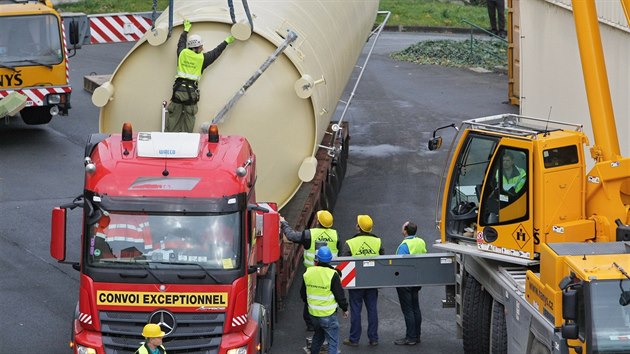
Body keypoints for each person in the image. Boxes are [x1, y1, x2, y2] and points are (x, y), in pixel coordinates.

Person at [166, 19, 236, 133]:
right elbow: (216, 52)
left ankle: (170, 140)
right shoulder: (202, 59)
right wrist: (226, 41)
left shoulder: (182, 53)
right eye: (201, 46)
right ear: (196, 48)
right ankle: (186, 142)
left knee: (173, 118)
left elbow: (181, 42)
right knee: (189, 119)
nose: (202, 48)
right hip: (191, 93)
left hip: (178, 91)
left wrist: (185, 30)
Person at [281, 210, 341, 331]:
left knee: (310, 296)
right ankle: (327, 319)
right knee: (328, 296)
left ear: (318, 221)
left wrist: (283, 223)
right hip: (329, 272)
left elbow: (291, 236)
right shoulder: (335, 235)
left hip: (312, 272)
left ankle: (311, 322)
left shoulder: (310, 234)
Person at [341, 214, 384, 347]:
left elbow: (344, 262)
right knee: (372, 310)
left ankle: (354, 339)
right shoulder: (377, 241)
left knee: (356, 310)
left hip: (356, 281)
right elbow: (382, 259)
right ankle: (374, 338)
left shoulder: (350, 243)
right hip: (372, 282)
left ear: (358, 227)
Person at [301, 246, 349, 354]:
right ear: (330, 259)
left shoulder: (308, 272)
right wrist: (345, 308)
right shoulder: (332, 274)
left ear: (317, 259)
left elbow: (303, 294)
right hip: (328, 315)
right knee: (333, 341)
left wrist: (311, 304)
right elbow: (339, 295)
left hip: (313, 314)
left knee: (318, 336)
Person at [393, 221, 427, 346]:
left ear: (406, 230)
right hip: (417, 279)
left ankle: (410, 337)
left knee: (408, 310)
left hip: (405, 281)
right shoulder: (421, 241)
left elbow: (399, 264)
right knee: (415, 308)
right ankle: (417, 335)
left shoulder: (404, 245)